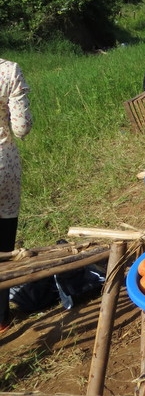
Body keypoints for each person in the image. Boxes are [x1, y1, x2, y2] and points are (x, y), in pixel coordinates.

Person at [0, 58, 33, 332]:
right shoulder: (8, 71)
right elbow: (21, 129)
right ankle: (0, 318)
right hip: (3, 166)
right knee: (4, 246)